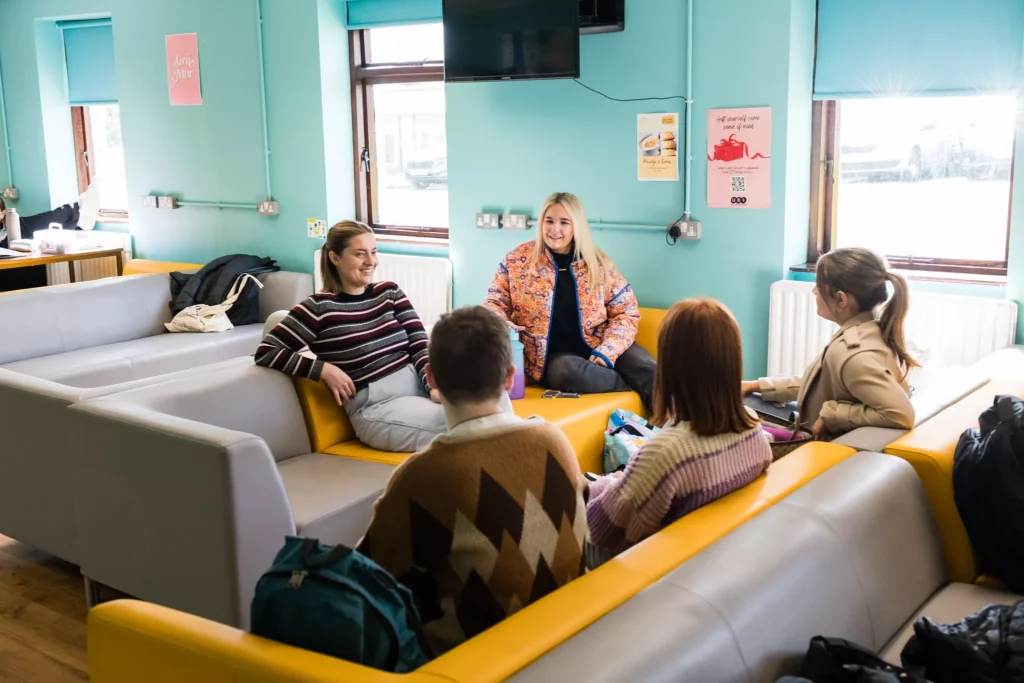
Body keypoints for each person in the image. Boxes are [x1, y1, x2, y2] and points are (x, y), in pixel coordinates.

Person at [357, 306, 588, 655]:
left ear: (431, 378)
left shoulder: (425, 474)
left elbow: (367, 576)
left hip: (480, 660)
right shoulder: (555, 440)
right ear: (510, 377)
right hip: (573, 639)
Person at [256, 220, 510, 452]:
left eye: (373, 252)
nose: (371, 261)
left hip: (418, 386)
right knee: (475, 426)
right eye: (359, 253)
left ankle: (524, 460)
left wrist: (432, 385)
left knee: (492, 393)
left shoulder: (389, 292)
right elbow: (267, 351)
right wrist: (323, 370)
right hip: (377, 406)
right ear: (334, 257)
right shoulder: (318, 308)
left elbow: (419, 341)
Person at [587, 299, 772, 559]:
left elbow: (599, 535)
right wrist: (618, 481)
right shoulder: (751, 424)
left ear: (671, 367)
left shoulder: (664, 454)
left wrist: (586, 490)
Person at [484, 191, 656, 411]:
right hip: (555, 357)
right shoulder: (517, 260)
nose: (555, 229)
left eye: (564, 222)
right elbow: (493, 301)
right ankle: (632, 388)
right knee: (567, 373)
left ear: (576, 227)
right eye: (549, 221)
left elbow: (627, 312)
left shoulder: (598, 263)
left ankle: (675, 428)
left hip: (602, 344)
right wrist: (500, 320)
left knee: (647, 367)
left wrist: (608, 350)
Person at [743, 247, 916, 440]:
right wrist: (755, 386)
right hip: (807, 417)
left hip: (812, 439)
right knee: (745, 398)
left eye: (819, 285)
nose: (814, 290)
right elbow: (816, 386)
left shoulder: (854, 354)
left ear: (841, 299)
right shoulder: (869, 330)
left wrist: (833, 413)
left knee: (730, 408)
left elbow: (901, 414)